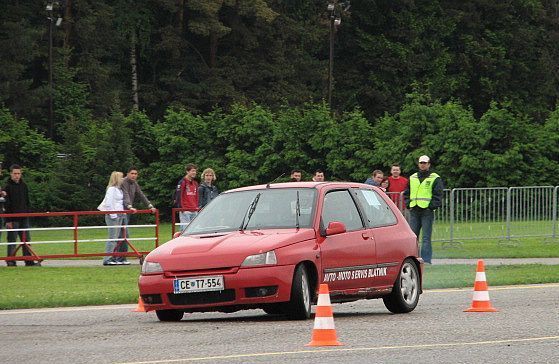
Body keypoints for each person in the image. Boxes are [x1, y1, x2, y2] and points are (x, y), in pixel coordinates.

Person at [403, 155, 444, 264]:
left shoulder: (435, 178)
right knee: (413, 237)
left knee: (426, 237)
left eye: (425, 163)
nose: (423, 164)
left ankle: (426, 260)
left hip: (427, 211)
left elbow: (438, 195)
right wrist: (408, 204)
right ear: (418, 164)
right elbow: (406, 193)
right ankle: (414, 259)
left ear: (429, 164)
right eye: (421, 162)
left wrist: (431, 206)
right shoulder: (413, 177)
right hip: (414, 210)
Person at [3, 164, 40, 266]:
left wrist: (28, 213)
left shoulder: (24, 186)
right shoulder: (6, 187)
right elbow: (5, 205)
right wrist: (8, 221)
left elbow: (27, 201)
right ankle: (11, 261)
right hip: (12, 219)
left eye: (19, 173)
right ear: (11, 174)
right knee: (12, 240)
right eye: (15, 173)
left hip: (24, 218)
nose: (17, 175)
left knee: (26, 240)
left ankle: (28, 260)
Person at [120, 167, 156, 264]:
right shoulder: (123, 182)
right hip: (121, 211)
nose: (134, 175)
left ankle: (121, 258)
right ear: (127, 174)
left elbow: (141, 194)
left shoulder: (134, 183)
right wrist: (129, 206)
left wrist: (150, 205)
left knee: (123, 235)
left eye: (135, 174)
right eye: (132, 173)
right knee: (121, 235)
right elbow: (125, 195)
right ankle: (117, 258)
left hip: (127, 211)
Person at [98, 171, 125, 266]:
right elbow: (108, 203)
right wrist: (113, 215)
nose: (122, 179)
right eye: (121, 177)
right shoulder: (111, 189)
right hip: (113, 216)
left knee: (117, 238)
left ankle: (113, 257)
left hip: (120, 214)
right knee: (112, 238)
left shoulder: (119, 189)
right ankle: (107, 258)